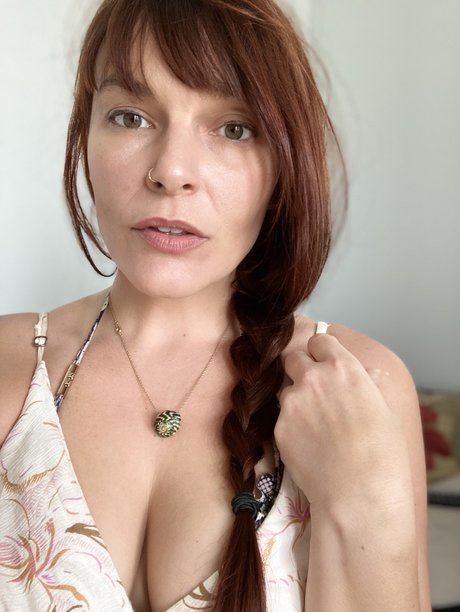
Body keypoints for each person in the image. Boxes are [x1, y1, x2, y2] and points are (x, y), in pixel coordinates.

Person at [0, 0, 430, 610]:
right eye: (130, 117)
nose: (171, 172)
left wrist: (365, 504)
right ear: (85, 135)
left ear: (284, 163)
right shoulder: (11, 365)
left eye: (233, 128)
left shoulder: (362, 385)